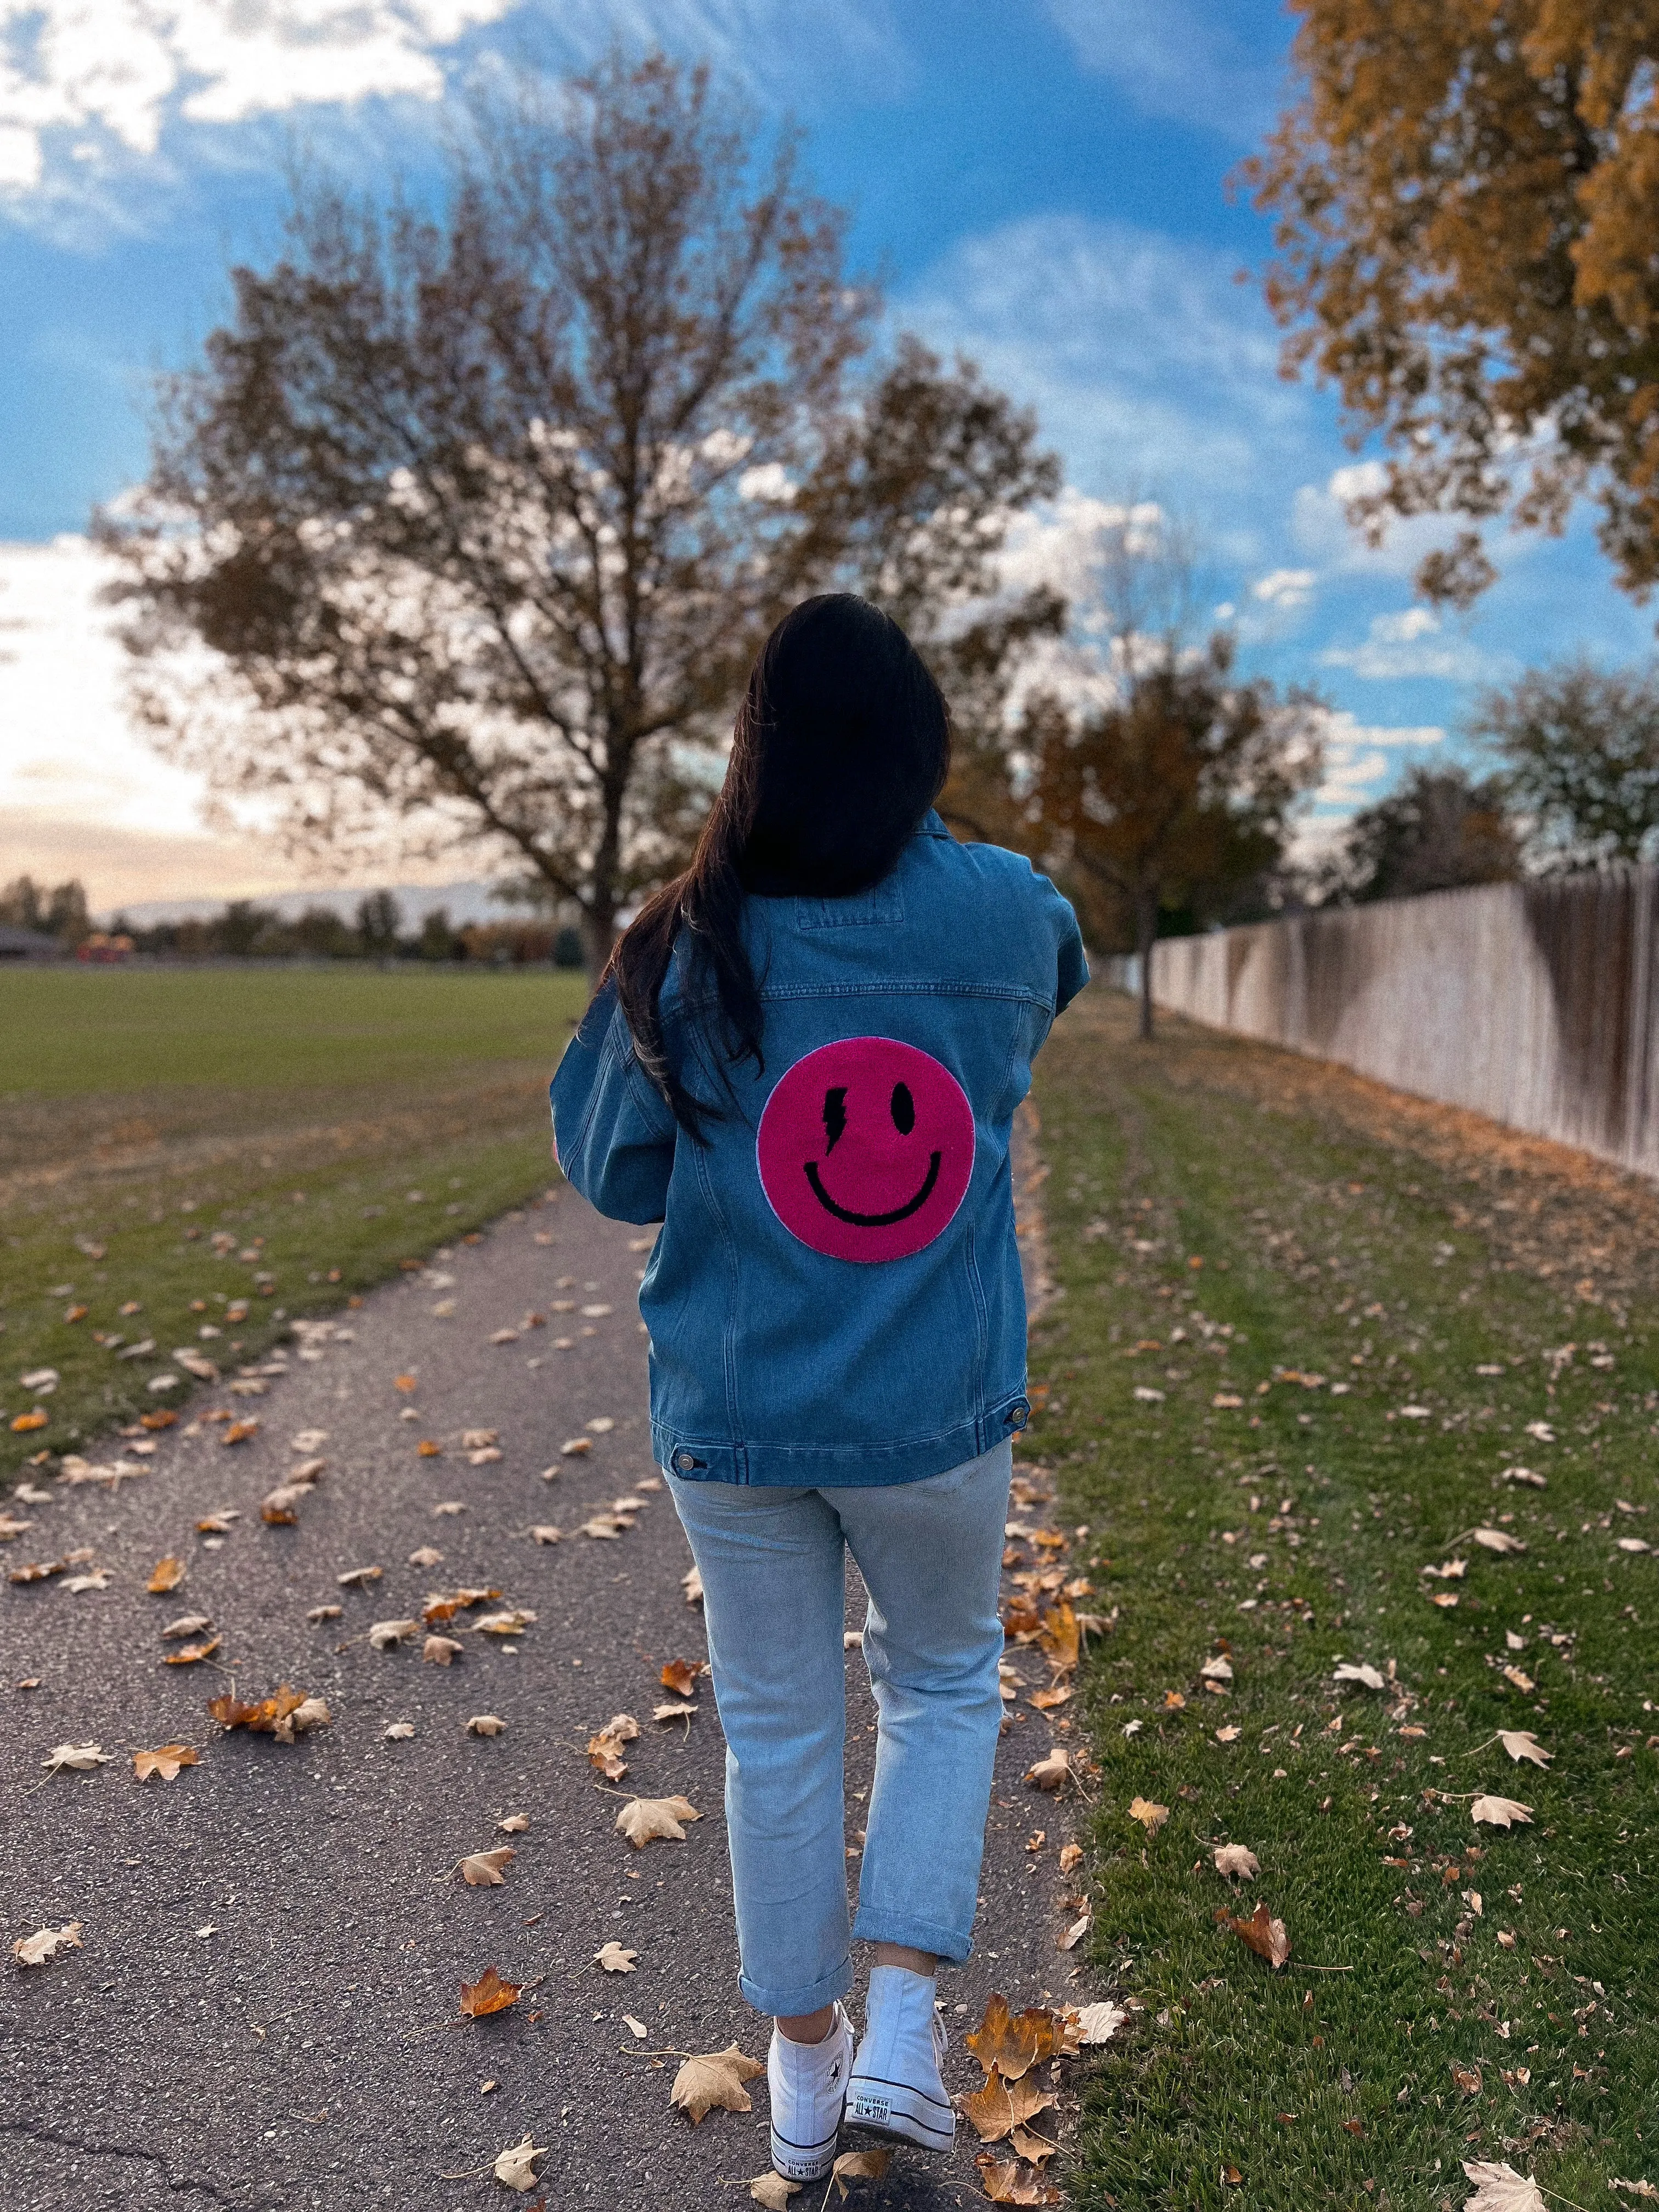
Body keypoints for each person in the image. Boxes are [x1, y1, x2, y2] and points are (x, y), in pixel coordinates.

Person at [550, 593, 1087, 2183]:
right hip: (933, 1408)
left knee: (775, 1734)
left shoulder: (679, 942)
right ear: (923, 747)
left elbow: (612, 1174)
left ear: (753, 755)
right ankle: (907, 2054)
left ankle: (801, 2092)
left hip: (735, 1418)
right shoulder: (1000, 914)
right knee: (941, 1686)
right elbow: (1053, 981)